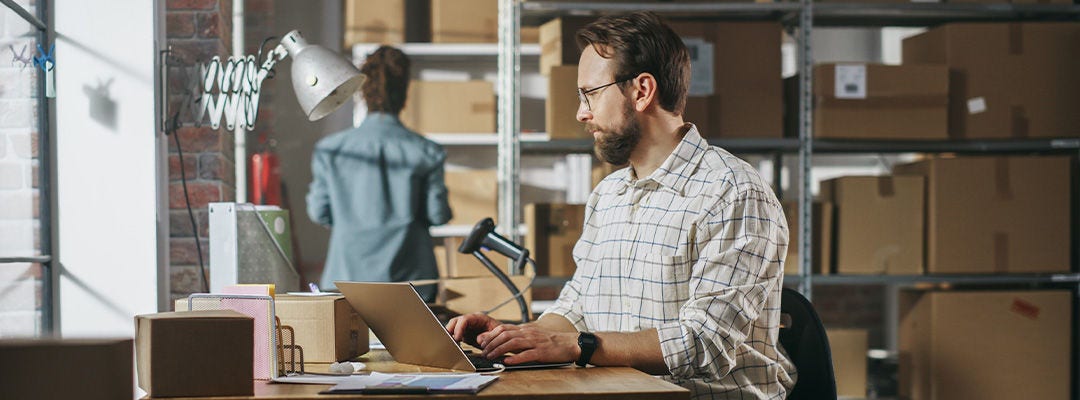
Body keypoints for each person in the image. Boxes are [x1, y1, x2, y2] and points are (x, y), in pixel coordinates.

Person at [446, 12, 795, 399]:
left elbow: (705, 343)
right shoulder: (609, 195)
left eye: (590, 93)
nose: (581, 113)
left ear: (642, 91)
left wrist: (580, 346)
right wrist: (515, 337)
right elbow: (577, 308)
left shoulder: (733, 193)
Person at [306, 45, 451, 301]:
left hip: (346, 281)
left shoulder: (331, 150)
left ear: (363, 93)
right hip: (411, 284)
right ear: (405, 93)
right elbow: (438, 215)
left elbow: (319, 212)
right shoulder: (427, 152)